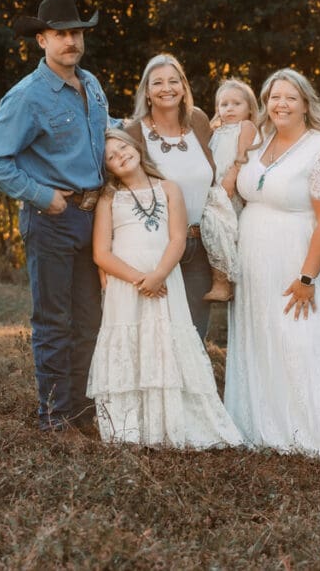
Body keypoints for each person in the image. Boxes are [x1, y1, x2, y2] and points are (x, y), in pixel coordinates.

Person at [0, 0, 115, 432]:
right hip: (52, 219)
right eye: (60, 34)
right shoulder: (27, 96)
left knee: (91, 321)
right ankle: (54, 419)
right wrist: (41, 195)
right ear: (41, 40)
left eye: (76, 33)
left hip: (94, 220)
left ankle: (82, 412)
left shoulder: (91, 85)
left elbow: (106, 137)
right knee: (54, 322)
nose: (71, 41)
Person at [224, 68, 320, 467]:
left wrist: (308, 277)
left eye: (290, 97)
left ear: (306, 104)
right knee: (261, 338)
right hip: (254, 262)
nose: (281, 104)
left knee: (300, 340)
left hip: (298, 261)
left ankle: (312, 430)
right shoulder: (257, 143)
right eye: (274, 97)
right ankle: (260, 424)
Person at [88, 129, 243, 448]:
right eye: (111, 157)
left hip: (165, 277)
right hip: (126, 284)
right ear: (108, 169)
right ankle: (131, 428)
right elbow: (101, 253)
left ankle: (172, 423)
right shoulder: (109, 198)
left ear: (135, 147)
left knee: (166, 342)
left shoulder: (168, 188)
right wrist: (138, 279)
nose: (120, 155)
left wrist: (158, 274)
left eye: (122, 147)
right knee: (131, 345)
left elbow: (177, 238)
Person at [124, 54, 217, 340]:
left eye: (174, 81)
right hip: (158, 245)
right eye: (158, 83)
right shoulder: (134, 132)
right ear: (147, 92)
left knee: (194, 333)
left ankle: (194, 387)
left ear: (184, 87)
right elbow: (124, 192)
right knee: (161, 333)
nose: (167, 88)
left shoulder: (199, 121)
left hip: (201, 243)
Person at [199, 79, 260, 302]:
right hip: (215, 189)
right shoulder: (216, 131)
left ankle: (222, 284)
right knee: (214, 231)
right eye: (224, 104)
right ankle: (222, 280)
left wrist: (232, 177)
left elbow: (242, 156)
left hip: (229, 187)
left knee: (222, 229)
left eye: (236, 103)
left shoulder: (247, 127)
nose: (229, 108)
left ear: (250, 108)